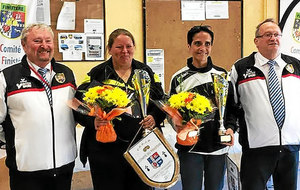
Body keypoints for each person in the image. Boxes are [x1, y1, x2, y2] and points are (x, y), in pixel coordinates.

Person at [75, 28, 166, 190]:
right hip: (105, 151)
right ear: (109, 49)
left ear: (134, 47)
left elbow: (161, 102)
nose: (125, 51)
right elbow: (78, 104)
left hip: (141, 146)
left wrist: (154, 117)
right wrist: (92, 120)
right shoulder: (97, 74)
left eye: (129, 46)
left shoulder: (145, 72)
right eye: (119, 47)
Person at [0, 24, 77, 190]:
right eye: (37, 41)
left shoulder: (67, 74)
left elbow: (76, 112)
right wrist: (14, 144)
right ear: (24, 46)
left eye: (48, 41)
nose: (44, 46)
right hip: (26, 169)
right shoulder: (7, 78)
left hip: (64, 165)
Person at [229, 18, 300, 190]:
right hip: (256, 148)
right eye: (268, 35)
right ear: (256, 41)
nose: (273, 38)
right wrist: (229, 127)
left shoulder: (295, 65)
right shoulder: (241, 68)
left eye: (277, 35)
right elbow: (231, 105)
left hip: (291, 146)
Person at [168, 25, 236, 190]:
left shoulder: (222, 76)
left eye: (207, 44)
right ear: (189, 46)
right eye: (198, 43)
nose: (203, 48)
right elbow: (171, 112)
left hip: (218, 148)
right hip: (190, 150)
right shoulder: (178, 78)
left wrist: (230, 128)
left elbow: (232, 109)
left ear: (211, 46)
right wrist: (177, 124)